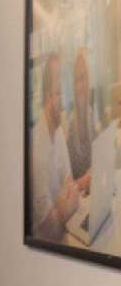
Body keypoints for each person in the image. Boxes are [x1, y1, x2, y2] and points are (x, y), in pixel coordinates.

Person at [30, 52, 80, 242]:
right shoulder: (36, 151)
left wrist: (60, 207)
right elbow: (49, 226)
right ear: (46, 96)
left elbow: (70, 181)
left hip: (63, 234)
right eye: (59, 92)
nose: (65, 101)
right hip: (47, 247)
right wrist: (64, 205)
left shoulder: (58, 130)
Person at [65, 49, 95, 193]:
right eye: (78, 80)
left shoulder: (90, 114)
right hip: (79, 196)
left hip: (92, 189)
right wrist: (86, 179)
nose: (82, 84)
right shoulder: (71, 125)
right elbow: (68, 183)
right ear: (73, 85)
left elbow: (97, 157)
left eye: (84, 77)